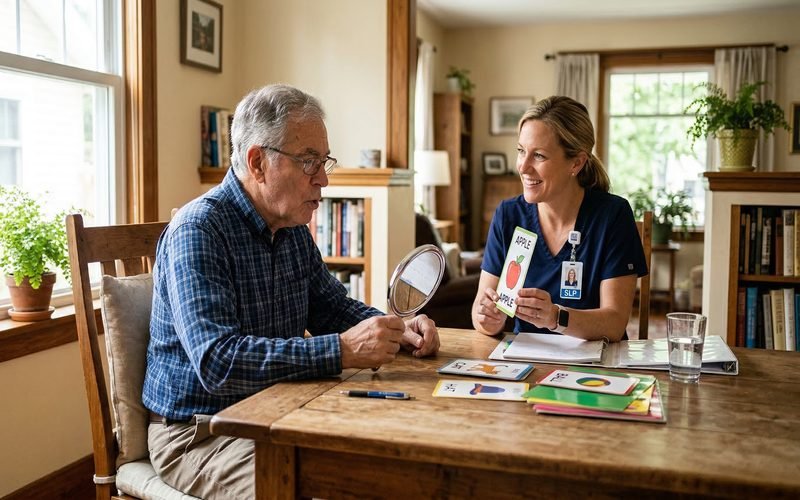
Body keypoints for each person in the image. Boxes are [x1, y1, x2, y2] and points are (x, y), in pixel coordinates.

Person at [142, 84, 440, 500]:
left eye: (324, 161)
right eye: (308, 162)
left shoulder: (292, 227)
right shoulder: (200, 230)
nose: (324, 179)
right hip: (201, 434)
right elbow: (217, 363)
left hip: (279, 410)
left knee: (395, 460)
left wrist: (397, 329)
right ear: (258, 162)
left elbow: (331, 306)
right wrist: (341, 350)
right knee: (327, 489)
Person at [471, 96, 647, 342]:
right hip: (526, 363)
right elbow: (481, 313)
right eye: (521, 151)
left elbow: (615, 323)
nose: (523, 167)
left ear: (576, 162)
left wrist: (556, 317)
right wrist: (488, 319)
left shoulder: (613, 216)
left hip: (596, 369)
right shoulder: (508, 215)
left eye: (539, 156)